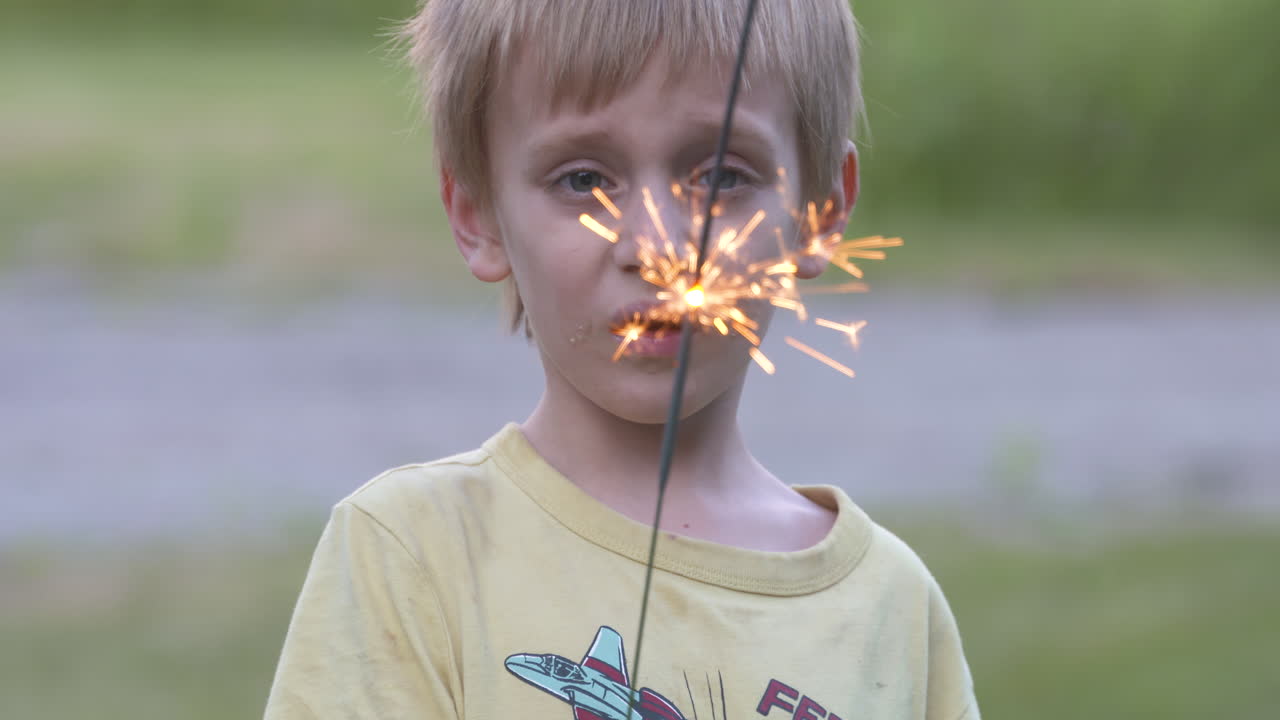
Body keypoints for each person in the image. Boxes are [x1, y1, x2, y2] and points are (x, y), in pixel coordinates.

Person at [264, 1, 980, 718]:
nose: (658, 246)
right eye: (583, 180)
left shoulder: (893, 610)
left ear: (820, 212)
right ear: (476, 213)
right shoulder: (410, 557)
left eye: (723, 177)